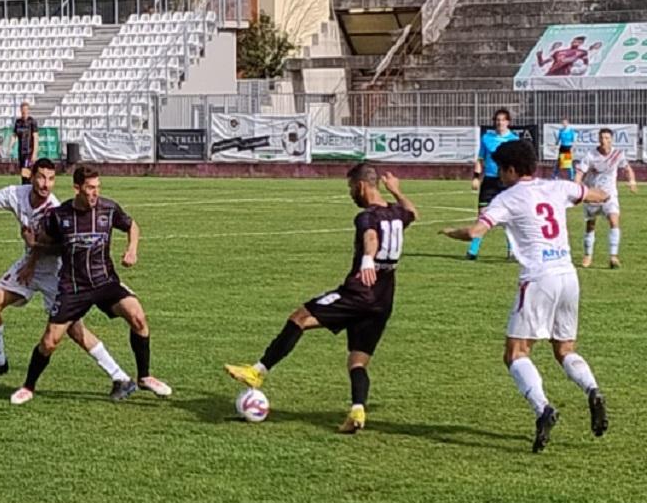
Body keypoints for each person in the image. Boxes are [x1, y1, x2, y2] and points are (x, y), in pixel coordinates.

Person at [440, 140, 610, 453]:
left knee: (516, 353)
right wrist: (592, 192)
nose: (499, 175)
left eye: (501, 169)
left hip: (538, 278)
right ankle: (592, 390)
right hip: (568, 276)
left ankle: (543, 408)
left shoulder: (508, 198)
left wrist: (452, 232)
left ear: (512, 169)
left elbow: (476, 232)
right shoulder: (557, 187)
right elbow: (599, 195)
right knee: (564, 350)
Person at [225, 165, 418, 433]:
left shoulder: (366, 217)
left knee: (300, 317)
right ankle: (358, 410)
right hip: (383, 300)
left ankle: (257, 371)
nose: (351, 194)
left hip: (358, 293)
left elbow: (371, 237)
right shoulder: (397, 214)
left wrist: (367, 259)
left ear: (361, 186)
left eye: (351, 188)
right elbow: (413, 213)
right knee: (357, 361)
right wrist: (397, 191)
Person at [0, 158, 133, 391]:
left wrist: (32, 253)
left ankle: (120, 377)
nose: (46, 184)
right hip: (29, 266)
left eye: (51, 179)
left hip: (56, 272)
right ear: (31, 176)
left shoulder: (55, 210)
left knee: (75, 331)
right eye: (42, 177)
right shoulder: (17, 193)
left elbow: (58, 248)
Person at [10, 165, 171, 405]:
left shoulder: (109, 208)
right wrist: (33, 249)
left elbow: (132, 225)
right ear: (77, 188)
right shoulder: (59, 215)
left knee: (138, 317)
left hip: (105, 281)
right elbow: (45, 245)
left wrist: (132, 249)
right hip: (73, 287)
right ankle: (28, 386)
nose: (95, 193)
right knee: (49, 341)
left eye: (98, 187)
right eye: (90, 188)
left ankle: (145, 377)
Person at [577, 127, 638, 269]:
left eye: (607, 138)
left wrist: (632, 182)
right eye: (602, 138)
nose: (604, 141)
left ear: (611, 139)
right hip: (593, 194)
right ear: (598, 139)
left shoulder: (618, 154)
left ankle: (613, 256)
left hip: (610, 194)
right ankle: (588, 255)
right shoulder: (590, 155)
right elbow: (580, 172)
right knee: (590, 225)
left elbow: (627, 168)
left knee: (614, 220)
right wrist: (577, 187)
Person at [467, 108, 519, 261]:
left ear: (508, 122)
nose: (500, 123)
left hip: (506, 182)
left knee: (508, 218)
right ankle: (473, 251)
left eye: (503, 120)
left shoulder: (514, 140)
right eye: (497, 120)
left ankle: (511, 251)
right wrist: (476, 176)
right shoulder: (487, 138)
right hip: (489, 181)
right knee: (482, 215)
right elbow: (480, 159)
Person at [12, 102, 39, 184]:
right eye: (22, 110)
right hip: (21, 151)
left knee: (26, 170)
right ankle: (27, 186)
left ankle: (26, 186)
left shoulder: (32, 122)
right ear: (20, 110)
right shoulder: (18, 122)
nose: (24, 112)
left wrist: (34, 153)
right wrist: (11, 145)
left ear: (28, 110)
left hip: (29, 151)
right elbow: (14, 135)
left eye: (25, 110)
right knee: (23, 171)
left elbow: (36, 137)